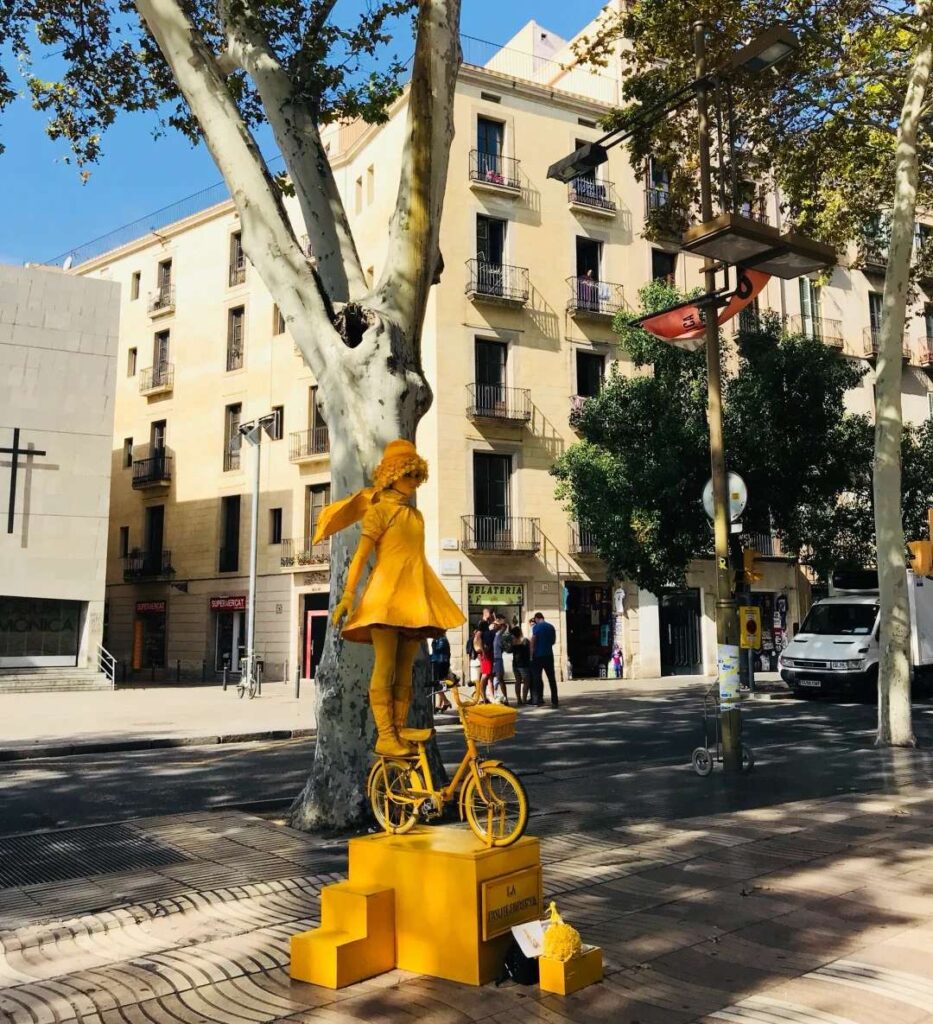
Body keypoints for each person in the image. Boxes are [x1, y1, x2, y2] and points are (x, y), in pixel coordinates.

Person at [317, 439, 465, 756]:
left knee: (405, 667)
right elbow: (359, 557)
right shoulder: (379, 512)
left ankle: (398, 731)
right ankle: (386, 735)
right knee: (384, 666)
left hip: (414, 596)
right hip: (385, 596)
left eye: (417, 475)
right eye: (408, 475)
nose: (413, 482)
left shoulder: (417, 516)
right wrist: (346, 598)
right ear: (392, 474)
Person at [530, 611, 559, 708]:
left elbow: (533, 640)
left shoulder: (536, 627)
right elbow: (553, 641)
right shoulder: (551, 627)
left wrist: (531, 654)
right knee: (552, 678)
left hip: (538, 656)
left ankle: (539, 699)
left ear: (537, 619)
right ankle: (555, 700)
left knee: (537, 678)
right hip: (549, 655)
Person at [431, 633, 452, 712]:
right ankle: (439, 704)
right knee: (441, 683)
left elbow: (438, 650)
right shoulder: (442, 639)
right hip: (443, 663)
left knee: (436, 684)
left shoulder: (441, 639)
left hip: (439, 663)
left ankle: (446, 701)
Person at [510, 626, 532, 705]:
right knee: (526, 681)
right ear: (520, 632)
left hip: (515, 664)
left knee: (518, 681)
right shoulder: (525, 641)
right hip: (524, 664)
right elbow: (529, 651)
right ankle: (524, 699)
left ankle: (519, 700)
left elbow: (510, 650)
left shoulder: (513, 642)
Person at [491, 615, 509, 705]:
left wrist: (500, 622)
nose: (494, 626)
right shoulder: (493, 634)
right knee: (491, 679)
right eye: (494, 625)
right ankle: (493, 697)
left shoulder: (499, 634)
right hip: (492, 658)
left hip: (498, 658)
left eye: (496, 625)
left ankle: (505, 698)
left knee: (500, 679)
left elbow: (505, 626)